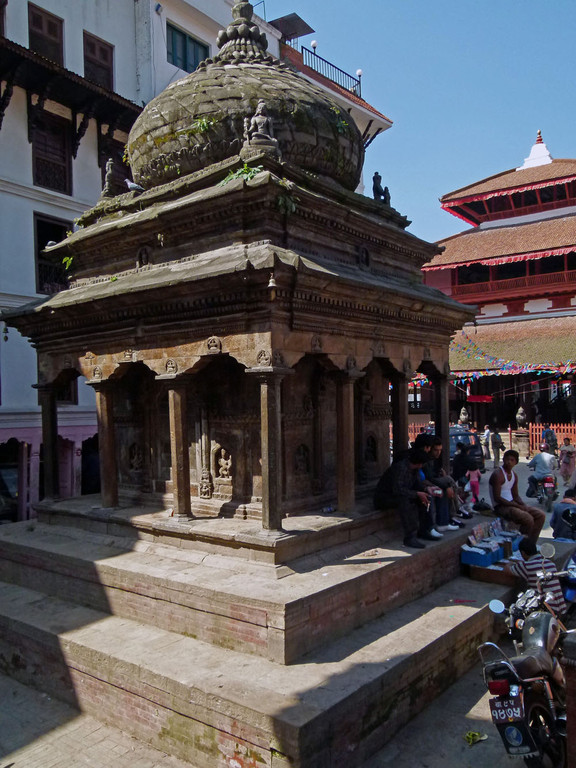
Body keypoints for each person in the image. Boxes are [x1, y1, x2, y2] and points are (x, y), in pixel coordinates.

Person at [373, 447, 436, 549]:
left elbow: (416, 484)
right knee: (405, 501)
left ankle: (424, 530)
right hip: (385, 497)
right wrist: (417, 494)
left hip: (401, 494)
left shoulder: (414, 470)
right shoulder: (401, 468)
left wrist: (426, 489)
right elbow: (398, 490)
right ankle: (409, 537)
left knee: (425, 499)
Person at [489, 449, 545, 542]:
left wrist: (523, 505)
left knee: (541, 515)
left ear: (516, 462)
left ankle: (532, 542)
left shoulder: (514, 475)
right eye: (507, 459)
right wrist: (516, 505)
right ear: (503, 459)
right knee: (528, 518)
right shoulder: (498, 474)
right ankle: (522, 543)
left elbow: (515, 495)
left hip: (511, 504)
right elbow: (497, 498)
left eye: (512, 460)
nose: (509, 462)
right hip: (501, 506)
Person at [505, 537, 566, 617]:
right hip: (561, 607)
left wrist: (510, 561)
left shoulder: (526, 566)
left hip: (548, 609)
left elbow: (506, 570)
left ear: (523, 553)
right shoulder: (550, 563)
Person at [422, 437, 462, 532]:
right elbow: (430, 478)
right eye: (436, 450)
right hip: (425, 484)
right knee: (443, 490)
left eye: (440, 450)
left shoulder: (435, 460)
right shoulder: (426, 460)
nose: (438, 453)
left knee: (449, 482)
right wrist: (446, 485)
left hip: (432, 483)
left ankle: (450, 516)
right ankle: (442, 522)